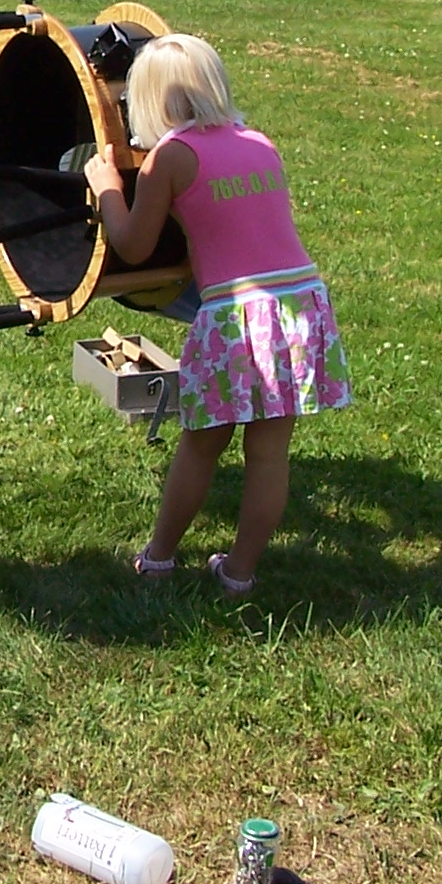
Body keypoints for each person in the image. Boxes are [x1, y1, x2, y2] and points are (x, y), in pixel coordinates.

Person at [82, 34, 350, 593]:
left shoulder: (168, 158)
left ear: (145, 101)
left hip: (236, 313)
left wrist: (108, 187)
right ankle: (239, 573)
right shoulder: (260, 142)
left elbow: (132, 244)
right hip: (300, 302)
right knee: (270, 452)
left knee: (202, 442)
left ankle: (158, 559)